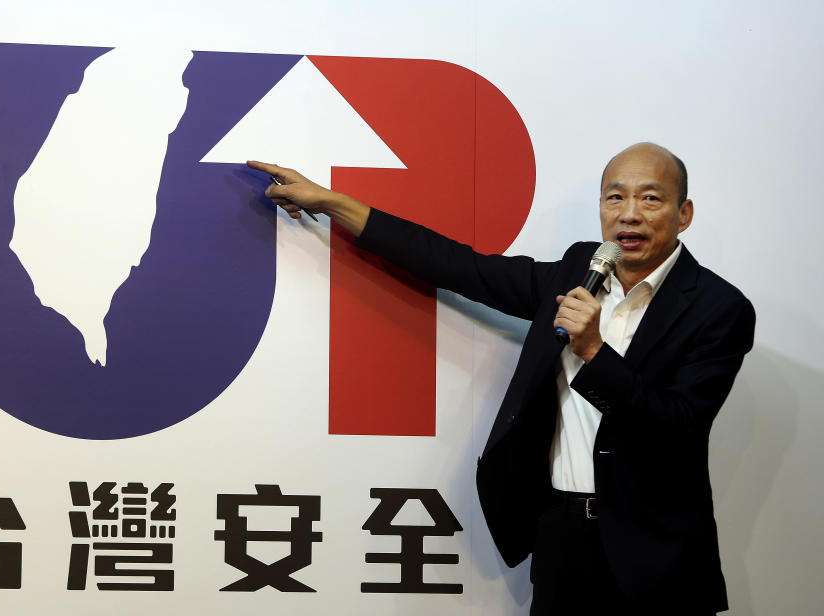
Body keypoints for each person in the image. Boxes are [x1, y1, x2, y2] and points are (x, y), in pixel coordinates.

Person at [247, 142, 755, 615]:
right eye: (615, 197)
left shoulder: (718, 308)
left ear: (683, 214)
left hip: (657, 555)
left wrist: (594, 351)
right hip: (563, 542)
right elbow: (458, 265)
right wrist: (332, 202)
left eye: (650, 199)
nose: (629, 213)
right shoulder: (577, 274)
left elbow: (679, 425)